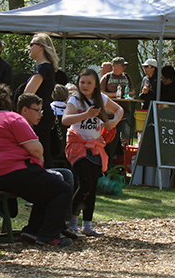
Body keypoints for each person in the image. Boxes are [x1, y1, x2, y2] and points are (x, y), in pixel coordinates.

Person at [0, 86, 73, 246]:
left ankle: (31, 231)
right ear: (9, 102)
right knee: (62, 189)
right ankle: (48, 235)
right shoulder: (12, 118)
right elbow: (36, 149)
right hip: (13, 170)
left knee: (49, 187)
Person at [62, 68, 122, 236]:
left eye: (89, 83)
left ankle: (87, 224)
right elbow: (65, 119)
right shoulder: (75, 100)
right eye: (82, 82)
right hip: (77, 145)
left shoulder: (101, 99)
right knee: (86, 183)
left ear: (96, 85)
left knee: (93, 186)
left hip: (95, 146)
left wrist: (112, 123)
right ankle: (72, 221)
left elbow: (119, 110)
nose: (85, 86)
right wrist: (86, 115)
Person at [23, 33, 59, 170]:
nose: (29, 48)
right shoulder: (47, 68)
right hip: (43, 113)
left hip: (39, 115)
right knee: (43, 150)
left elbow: (28, 93)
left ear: (41, 47)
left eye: (32, 44)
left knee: (40, 151)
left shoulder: (43, 68)